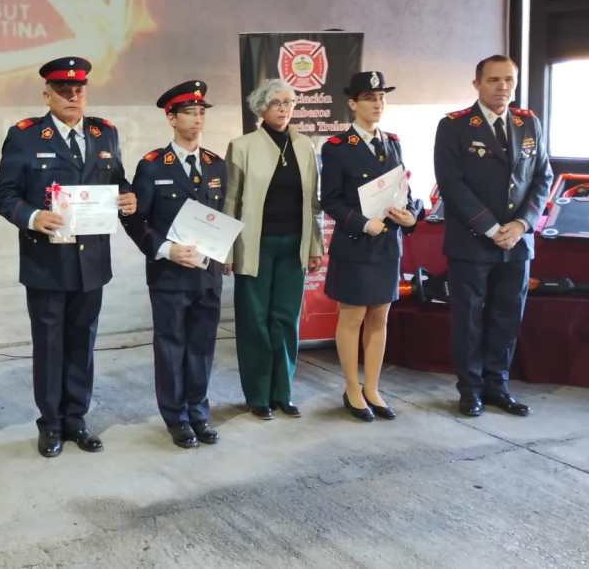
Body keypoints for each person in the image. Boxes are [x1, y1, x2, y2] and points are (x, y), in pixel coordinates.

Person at [0, 57, 137, 457]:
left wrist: (127, 196)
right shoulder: (25, 136)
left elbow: (116, 180)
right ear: (47, 95)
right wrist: (33, 217)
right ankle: (51, 423)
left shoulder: (105, 133)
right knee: (50, 345)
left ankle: (77, 419)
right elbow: (4, 195)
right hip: (46, 262)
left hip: (92, 262)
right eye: (63, 90)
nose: (72, 96)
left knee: (83, 344)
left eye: (78, 90)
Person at [433, 55, 552, 417]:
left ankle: (497, 386)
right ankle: (470, 390)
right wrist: (490, 227)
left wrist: (522, 225)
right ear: (477, 84)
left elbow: (542, 177)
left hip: (517, 243)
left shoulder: (528, 122)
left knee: (507, 317)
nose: (503, 87)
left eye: (509, 80)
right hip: (472, 241)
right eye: (494, 80)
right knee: (469, 320)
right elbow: (451, 184)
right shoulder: (454, 126)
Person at [124, 81, 225, 448]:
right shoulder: (152, 166)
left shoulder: (216, 164)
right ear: (171, 118)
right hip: (169, 274)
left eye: (201, 113)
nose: (197, 119)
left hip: (207, 274)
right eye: (189, 113)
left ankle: (198, 412)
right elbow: (135, 220)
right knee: (171, 347)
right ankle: (176, 418)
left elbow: (223, 215)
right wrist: (166, 249)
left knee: (202, 346)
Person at [321, 71, 422, 422]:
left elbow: (406, 190)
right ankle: (352, 388)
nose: (378, 104)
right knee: (353, 318)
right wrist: (363, 223)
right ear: (352, 104)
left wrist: (411, 215)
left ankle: (373, 388)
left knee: (380, 316)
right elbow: (330, 200)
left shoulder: (392, 142)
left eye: (381, 98)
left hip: (388, 244)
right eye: (369, 98)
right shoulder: (337, 147)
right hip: (356, 244)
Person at [222, 78, 323, 419]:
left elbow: (314, 202)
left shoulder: (305, 146)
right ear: (261, 108)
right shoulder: (242, 146)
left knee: (286, 319)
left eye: (289, 102)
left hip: (294, 244)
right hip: (255, 246)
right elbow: (230, 201)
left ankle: (283, 392)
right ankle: (258, 395)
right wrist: (226, 250)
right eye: (277, 103)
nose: (284, 109)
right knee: (255, 322)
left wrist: (315, 245)